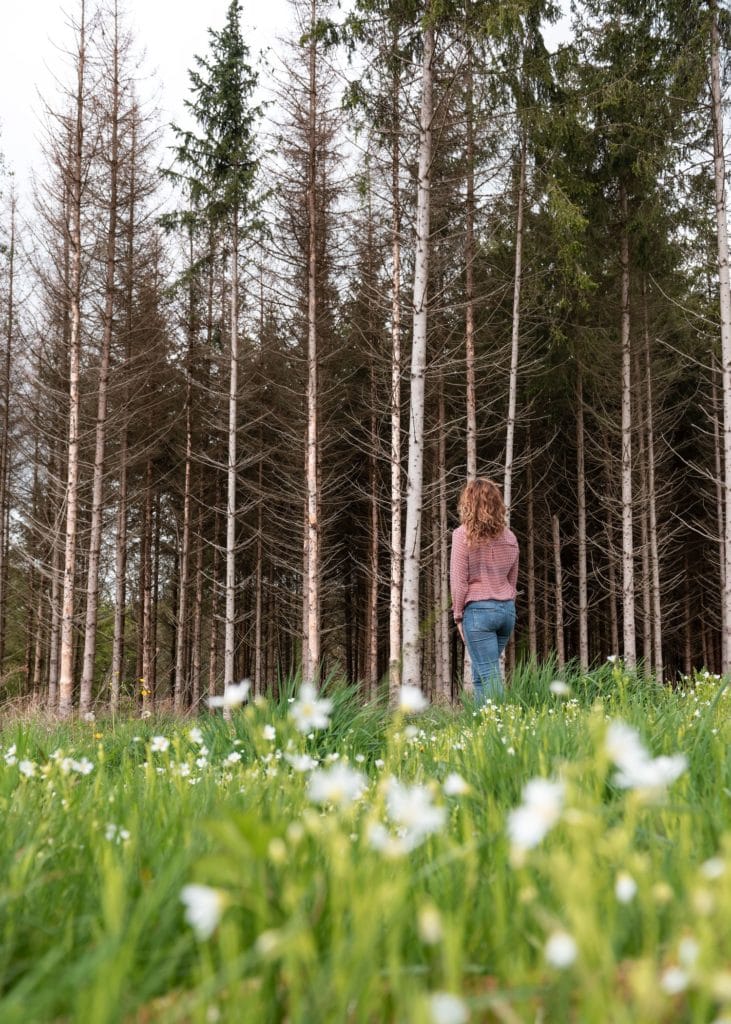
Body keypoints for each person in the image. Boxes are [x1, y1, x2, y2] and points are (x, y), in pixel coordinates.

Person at [450, 477, 519, 703]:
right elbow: (512, 580)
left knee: (489, 675)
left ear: (468, 503)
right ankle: (482, 726)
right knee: (481, 675)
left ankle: (502, 728)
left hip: (478, 613)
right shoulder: (510, 537)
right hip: (506, 612)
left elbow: (459, 582)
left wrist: (458, 615)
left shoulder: (462, 535)